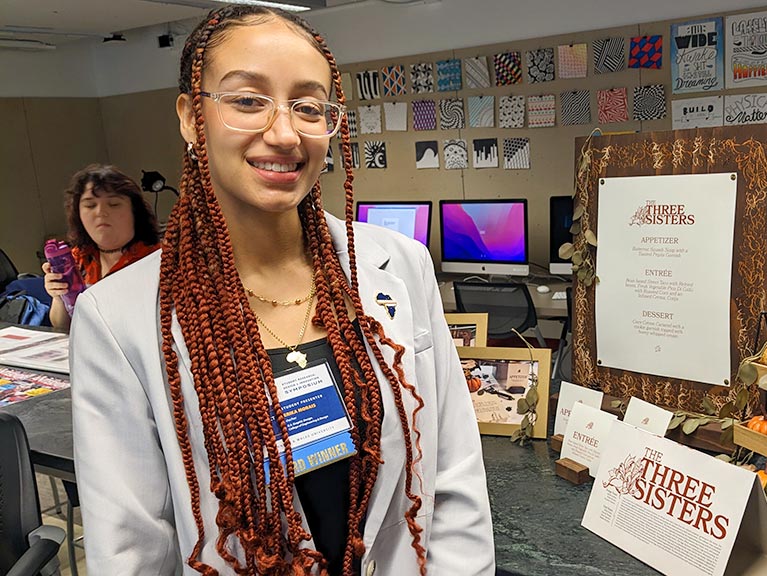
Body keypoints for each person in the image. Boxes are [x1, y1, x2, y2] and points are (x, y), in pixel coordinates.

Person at [70, 5, 494, 576]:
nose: (285, 132)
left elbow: (453, 476)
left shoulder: (398, 265)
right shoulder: (118, 316)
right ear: (193, 118)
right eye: (248, 100)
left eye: (309, 106)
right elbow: (130, 547)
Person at [42, 164, 160, 330]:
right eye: (90, 205)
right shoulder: (76, 260)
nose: (100, 212)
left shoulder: (157, 260)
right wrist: (58, 295)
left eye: (113, 204)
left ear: (135, 211)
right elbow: (62, 325)